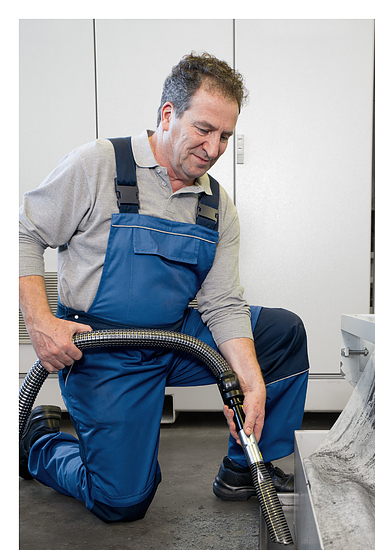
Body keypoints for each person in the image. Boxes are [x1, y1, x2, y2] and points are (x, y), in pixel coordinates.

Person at [19, 52, 309, 523]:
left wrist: (252, 381)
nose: (213, 149)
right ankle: (39, 442)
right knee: (121, 501)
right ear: (168, 114)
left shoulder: (216, 205)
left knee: (281, 333)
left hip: (174, 338)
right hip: (103, 349)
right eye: (204, 129)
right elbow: (23, 232)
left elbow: (222, 302)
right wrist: (40, 322)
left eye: (225, 136)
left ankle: (245, 469)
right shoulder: (100, 164)